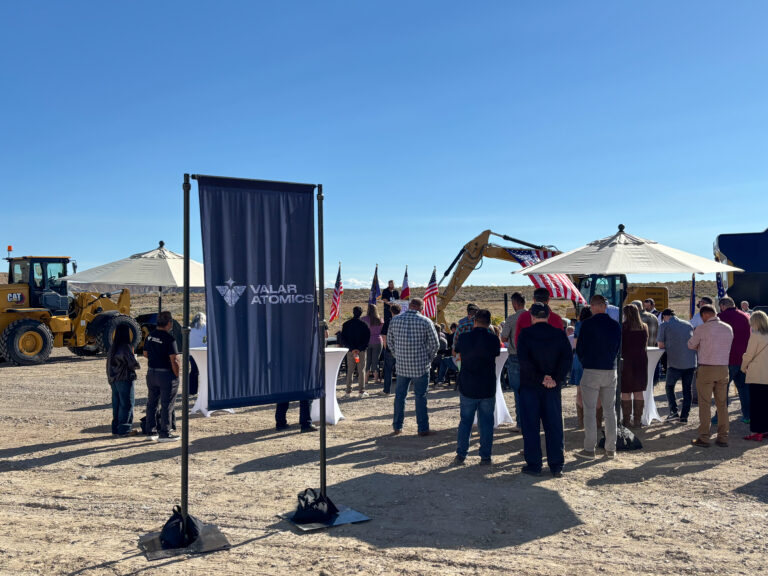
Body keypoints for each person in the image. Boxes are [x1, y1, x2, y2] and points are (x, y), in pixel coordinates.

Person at [517, 303, 572, 477]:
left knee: (531, 427)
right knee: (554, 426)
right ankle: (556, 465)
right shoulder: (558, 334)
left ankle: (534, 465)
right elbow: (567, 359)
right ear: (548, 316)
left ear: (532, 316)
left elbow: (524, 362)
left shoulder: (525, 334)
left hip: (530, 387)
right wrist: (555, 378)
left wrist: (541, 378)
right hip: (552, 388)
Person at [575, 295, 621, 459]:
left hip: (592, 369)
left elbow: (580, 348)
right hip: (610, 369)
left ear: (593, 306)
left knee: (589, 410)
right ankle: (611, 448)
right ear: (604, 306)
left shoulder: (587, 324)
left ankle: (589, 448)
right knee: (610, 410)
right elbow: (617, 348)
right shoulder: (615, 325)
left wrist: (585, 361)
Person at [453, 309, 500, 465]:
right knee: (486, 423)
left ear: (474, 320)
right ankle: (485, 456)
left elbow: (456, 351)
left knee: (465, 422)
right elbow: (496, 353)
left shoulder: (465, 338)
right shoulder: (493, 339)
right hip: (487, 386)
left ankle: (461, 454)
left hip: (468, 385)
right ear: (489, 323)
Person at [387, 298, 440, 436]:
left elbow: (389, 341)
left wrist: (397, 355)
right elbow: (435, 344)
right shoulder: (425, 321)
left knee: (400, 396)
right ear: (421, 308)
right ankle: (422, 428)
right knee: (420, 397)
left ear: (410, 306)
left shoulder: (395, 320)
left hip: (402, 366)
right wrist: (428, 357)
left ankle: (397, 426)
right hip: (420, 366)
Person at [688, 304, 733, 447]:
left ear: (704, 315)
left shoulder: (701, 329)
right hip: (723, 368)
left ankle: (704, 437)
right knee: (722, 404)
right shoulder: (728, 328)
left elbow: (690, 344)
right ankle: (723, 437)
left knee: (704, 404)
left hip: (707, 368)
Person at [143, 311, 180, 442]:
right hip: (165, 374)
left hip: (152, 372)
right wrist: (176, 375)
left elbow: (145, 353)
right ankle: (165, 432)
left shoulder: (150, 336)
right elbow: (174, 360)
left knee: (152, 403)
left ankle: (151, 432)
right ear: (169, 323)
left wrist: (156, 357)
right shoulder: (169, 339)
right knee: (167, 404)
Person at [657, 309, 697, 423]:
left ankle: (673, 411)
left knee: (669, 386)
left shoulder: (665, 325)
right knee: (687, 389)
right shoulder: (688, 324)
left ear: (665, 316)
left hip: (674, 362)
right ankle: (684, 416)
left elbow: (660, 345)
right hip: (690, 362)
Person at [718, 296, 751, 423]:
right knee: (743, 388)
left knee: (722, 389)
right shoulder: (745, 316)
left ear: (722, 306)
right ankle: (747, 415)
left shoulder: (721, 317)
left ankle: (720, 415)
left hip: (727, 359)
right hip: (744, 358)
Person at [107, 323, 140, 437]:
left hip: (114, 379)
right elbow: (133, 364)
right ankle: (124, 428)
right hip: (125, 378)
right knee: (126, 404)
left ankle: (116, 428)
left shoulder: (113, 347)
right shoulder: (125, 347)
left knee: (117, 404)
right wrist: (135, 357)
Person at [500, 291, 526, 431]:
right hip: (532, 358)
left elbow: (503, 338)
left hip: (515, 356)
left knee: (518, 391)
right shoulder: (532, 316)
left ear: (515, 304)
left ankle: (521, 424)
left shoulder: (511, 319)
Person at [621, 305, 649, 429]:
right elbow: (645, 345)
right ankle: (637, 421)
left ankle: (627, 421)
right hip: (641, 361)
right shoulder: (644, 327)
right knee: (638, 391)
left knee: (626, 391)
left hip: (626, 360)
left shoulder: (622, 327)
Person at [741, 311, 768, 440]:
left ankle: (756, 432)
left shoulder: (755, 335)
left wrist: (743, 366)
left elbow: (749, 354)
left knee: (756, 404)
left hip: (758, 374)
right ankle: (766, 430)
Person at [341, 306, 371, 397]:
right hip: (360, 352)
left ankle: (348, 392)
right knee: (361, 370)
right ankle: (361, 391)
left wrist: (352, 348)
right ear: (361, 313)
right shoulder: (364, 325)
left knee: (350, 370)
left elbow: (343, 339)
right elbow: (367, 339)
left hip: (351, 352)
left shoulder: (346, 324)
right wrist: (359, 349)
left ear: (353, 312)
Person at [572, 306, 593, 428]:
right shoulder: (595, 325)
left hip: (579, 359)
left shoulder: (578, 325)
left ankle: (581, 421)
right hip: (593, 359)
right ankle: (595, 420)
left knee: (579, 391)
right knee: (595, 390)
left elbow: (575, 344)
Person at [379, 303, 401, 395]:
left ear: (391, 311)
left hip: (390, 349)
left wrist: (385, 346)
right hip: (402, 349)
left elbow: (384, 336)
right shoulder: (403, 321)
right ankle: (400, 391)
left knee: (388, 370)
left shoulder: (389, 321)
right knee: (401, 371)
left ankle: (387, 390)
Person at [362, 304, 384, 384]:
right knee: (375, 360)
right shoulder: (380, 320)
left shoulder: (363, 319)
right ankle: (376, 379)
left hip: (367, 341)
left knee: (367, 360)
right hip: (378, 341)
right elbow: (382, 331)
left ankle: (366, 380)